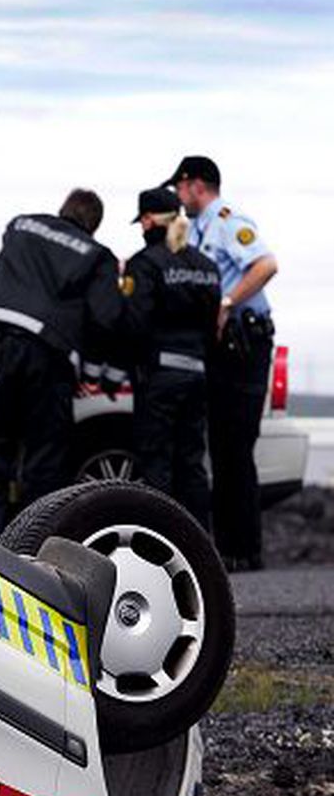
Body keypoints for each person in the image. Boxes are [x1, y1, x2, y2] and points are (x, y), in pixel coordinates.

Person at [0, 188, 122, 539]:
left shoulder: (21, 226)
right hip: (50, 358)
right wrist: (96, 373)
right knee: (44, 464)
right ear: (93, 225)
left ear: (63, 209)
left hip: (4, 348)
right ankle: (30, 550)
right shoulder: (97, 256)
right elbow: (106, 318)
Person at [163, 155, 277, 570]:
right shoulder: (194, 228)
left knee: (236, 448)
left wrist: (227, 303)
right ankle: (228, 549)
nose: (178, 196)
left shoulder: (228, 220)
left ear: (196, 185)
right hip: (219, 348)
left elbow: (266, 265)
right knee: (221, 446)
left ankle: (245, 549)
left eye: (180, 188)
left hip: (244, 344)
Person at [121, 186, 220, 529]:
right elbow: (212, 328)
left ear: (149, 220)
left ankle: (159, 539)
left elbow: (135, 325)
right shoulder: (206, 267)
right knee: (192, 464)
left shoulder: (144, 264)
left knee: (156, 463)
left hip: (160, 378)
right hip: (197, 375)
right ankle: (202, 544)